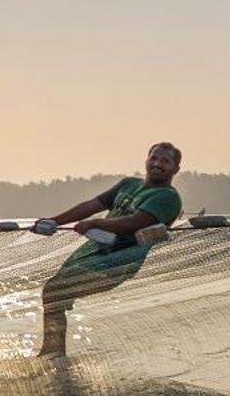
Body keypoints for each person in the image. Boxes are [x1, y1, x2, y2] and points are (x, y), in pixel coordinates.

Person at [34, 143, 184, 356]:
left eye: (165, 161)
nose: (157, 164)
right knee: (54, 295)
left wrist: (95, 224)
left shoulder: (168, 197)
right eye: (154, 158)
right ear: (146, 160)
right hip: (91, 251)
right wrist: (53, 221)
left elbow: (133, 223)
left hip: (118, 262)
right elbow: (91, 205)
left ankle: (53, 355)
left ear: (175, 169)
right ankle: (54, 355)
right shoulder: (129, 184)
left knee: (54, 291)